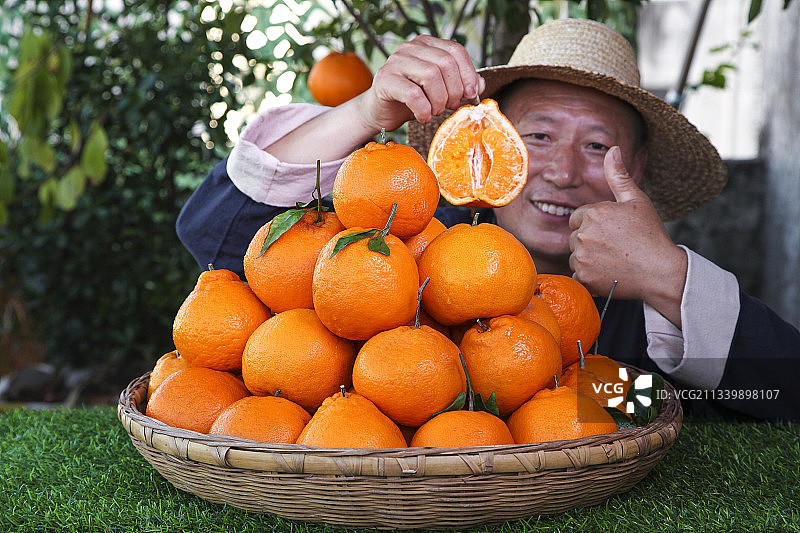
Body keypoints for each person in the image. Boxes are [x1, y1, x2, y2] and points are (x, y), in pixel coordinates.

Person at [177, 18, 799, 422]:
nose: (562, 172)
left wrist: (669, 277)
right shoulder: (413, 249)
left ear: (634, 166)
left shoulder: (638, 324)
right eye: (538, 136)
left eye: (597, 146)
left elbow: (778, 391)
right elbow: (215, 231)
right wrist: (365, 112)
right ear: (487, 143)